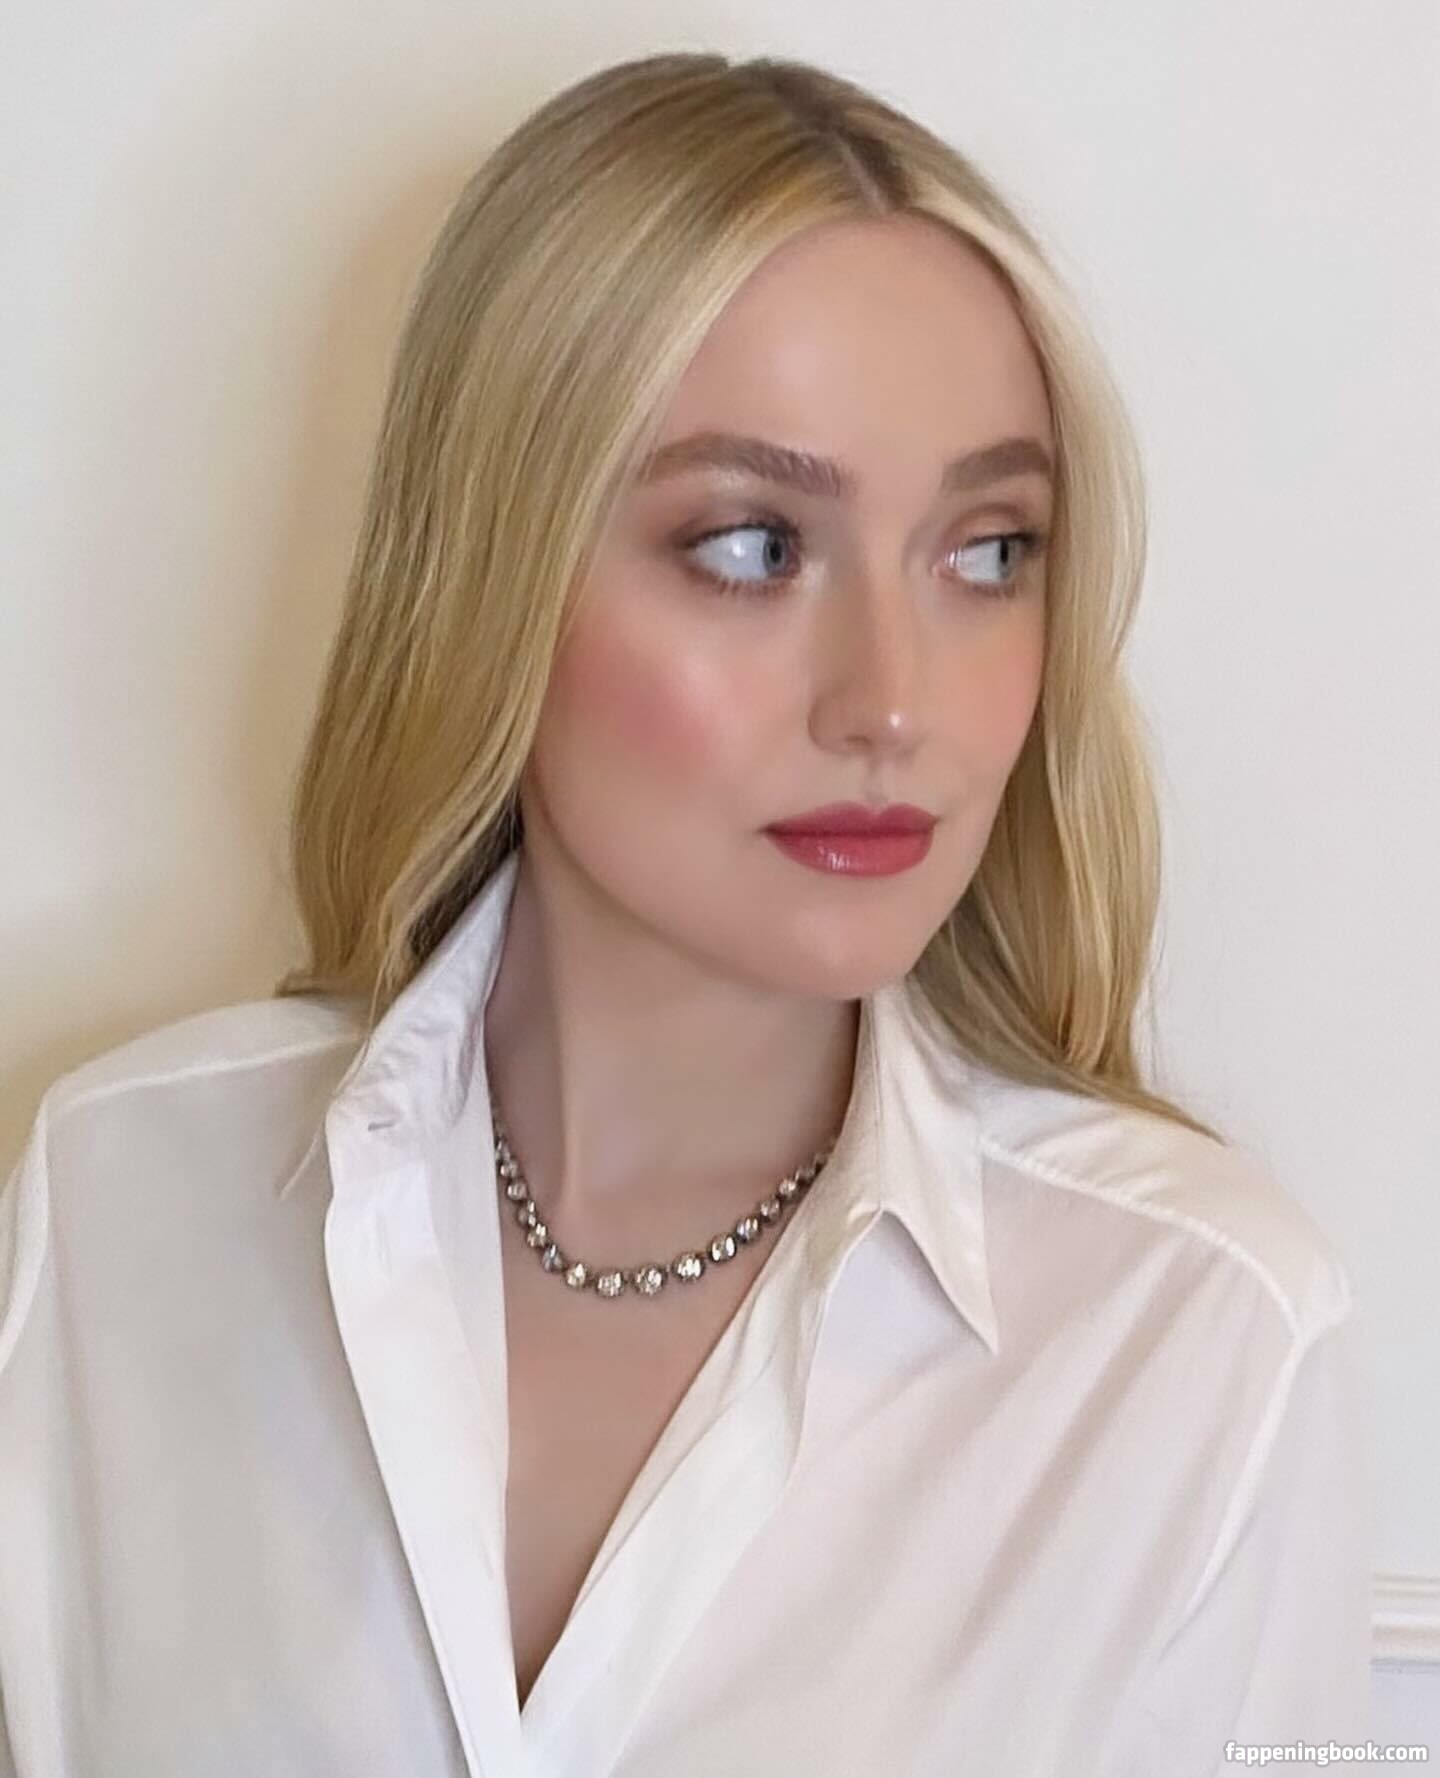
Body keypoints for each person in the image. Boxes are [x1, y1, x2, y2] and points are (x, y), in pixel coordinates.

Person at [0, 50, 1373, 1778]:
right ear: (492, 575)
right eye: (750, 547)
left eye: (988, 552)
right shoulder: (122, 1197)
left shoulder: (1198, 1335)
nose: (894, 701)